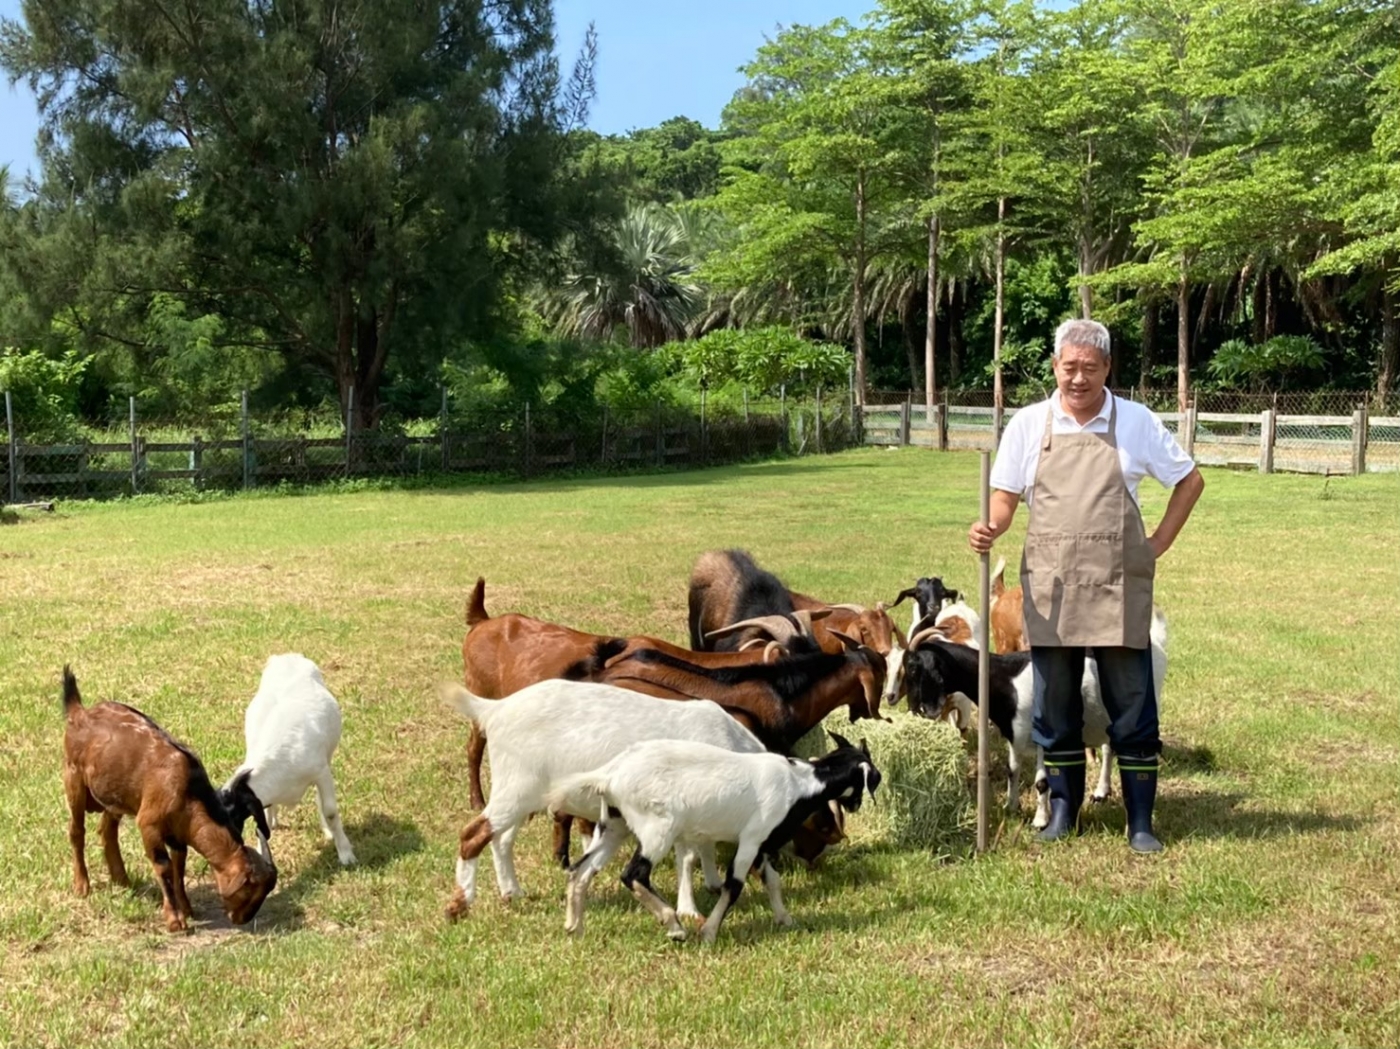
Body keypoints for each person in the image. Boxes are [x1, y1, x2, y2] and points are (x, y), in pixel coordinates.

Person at [968, 319, 1204, 852]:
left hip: (1119, 585)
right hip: (1051, 588)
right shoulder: (1028, 425)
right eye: (1069, 367)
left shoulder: (1137, 422)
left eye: (1090, 369)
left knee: (1133, 701)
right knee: (1055, 705)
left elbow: (1190, 480)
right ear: (1055, 366)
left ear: (1107, 369)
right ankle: (1063, 812)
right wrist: (992, 524)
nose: (1078, 379)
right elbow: (1004, 497)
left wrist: (1158, 541)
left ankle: (1140, 821)